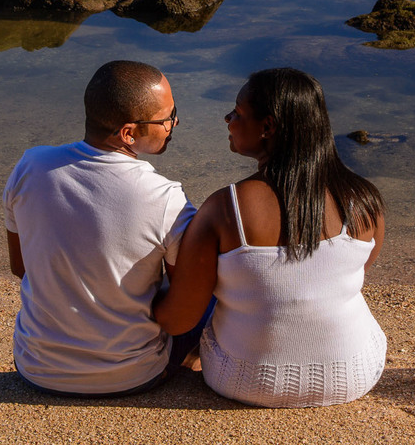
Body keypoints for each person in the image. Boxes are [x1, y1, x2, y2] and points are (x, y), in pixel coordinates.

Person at [153, 67, 387, 408]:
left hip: (246, 379)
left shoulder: (226, 208)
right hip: (354, 373)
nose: (227, 119)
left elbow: (178, 320)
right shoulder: (364, 200)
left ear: (267, 127)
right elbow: (345, 277)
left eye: (237, 113)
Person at [3, 60, 199, 396]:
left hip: (37, 368)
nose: (174, 123)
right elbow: (181, 313)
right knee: (210, 295)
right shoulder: (166, 199)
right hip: (133, 375)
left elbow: (22, 267)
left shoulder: (31, 166)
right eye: (168, 117)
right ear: (128, 133)